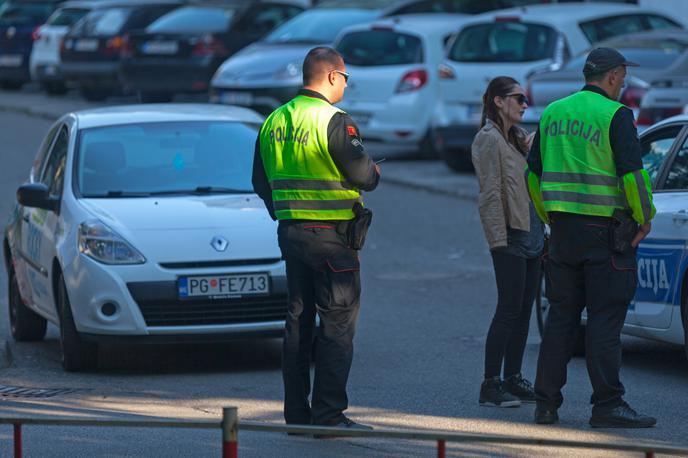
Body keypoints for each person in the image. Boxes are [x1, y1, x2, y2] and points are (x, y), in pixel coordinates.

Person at [252, 46, 380, 433]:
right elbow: (364, 177)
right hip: (332, 241)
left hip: (291, 236)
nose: (345, 85)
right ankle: (328, 415)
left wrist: (287, 214)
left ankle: (296, 415)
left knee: (298, 323)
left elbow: (260, 182)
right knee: (337, 326)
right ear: (330, 76)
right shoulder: (333, 119)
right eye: (345, 78)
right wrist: (372, 170)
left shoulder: (273, 120)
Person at [526, 47, 656, 428]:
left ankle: (545, 404)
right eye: (623, 77)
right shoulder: (615, 115)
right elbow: (633, 176)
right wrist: (644, 218)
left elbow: (532, 176)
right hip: (606, 236)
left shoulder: (552, 113)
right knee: (604, 321)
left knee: (561, 320)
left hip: (564, 233)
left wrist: (548, 215)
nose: (624, 84)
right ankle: (607, 405)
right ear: (613, 76)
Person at [471, 76, 544, 408]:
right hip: (510, 235)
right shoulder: (488, 139)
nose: (524, 104)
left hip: (532, 233)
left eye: (526, 98)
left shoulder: (516, 139)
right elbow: (489, 194)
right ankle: (491, 383)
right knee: (508, 309)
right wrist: (498, 240)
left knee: (524, 310)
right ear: (499, 101)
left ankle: (513, 377)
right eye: (518, 98)